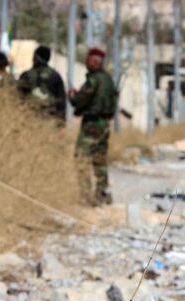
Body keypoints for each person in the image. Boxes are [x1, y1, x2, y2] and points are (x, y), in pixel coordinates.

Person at [70, 48, 118, 206]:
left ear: (95, 62)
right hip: (104, 124)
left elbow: (79, 100)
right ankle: (102, 193)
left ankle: (85, 194)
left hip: (92, 123)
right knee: (100, 159)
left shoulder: (93, 80)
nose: (87, 63)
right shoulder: (109, 80)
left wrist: (72, 96)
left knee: (81, 157)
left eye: (89, 60)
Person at [17, 46, 66, 121]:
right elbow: (61, 101)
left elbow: (18, 98)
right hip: (50, 119)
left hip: (29, 118)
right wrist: (61, 122)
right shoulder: (55, 76)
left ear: (36, 57)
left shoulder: (26, 75)